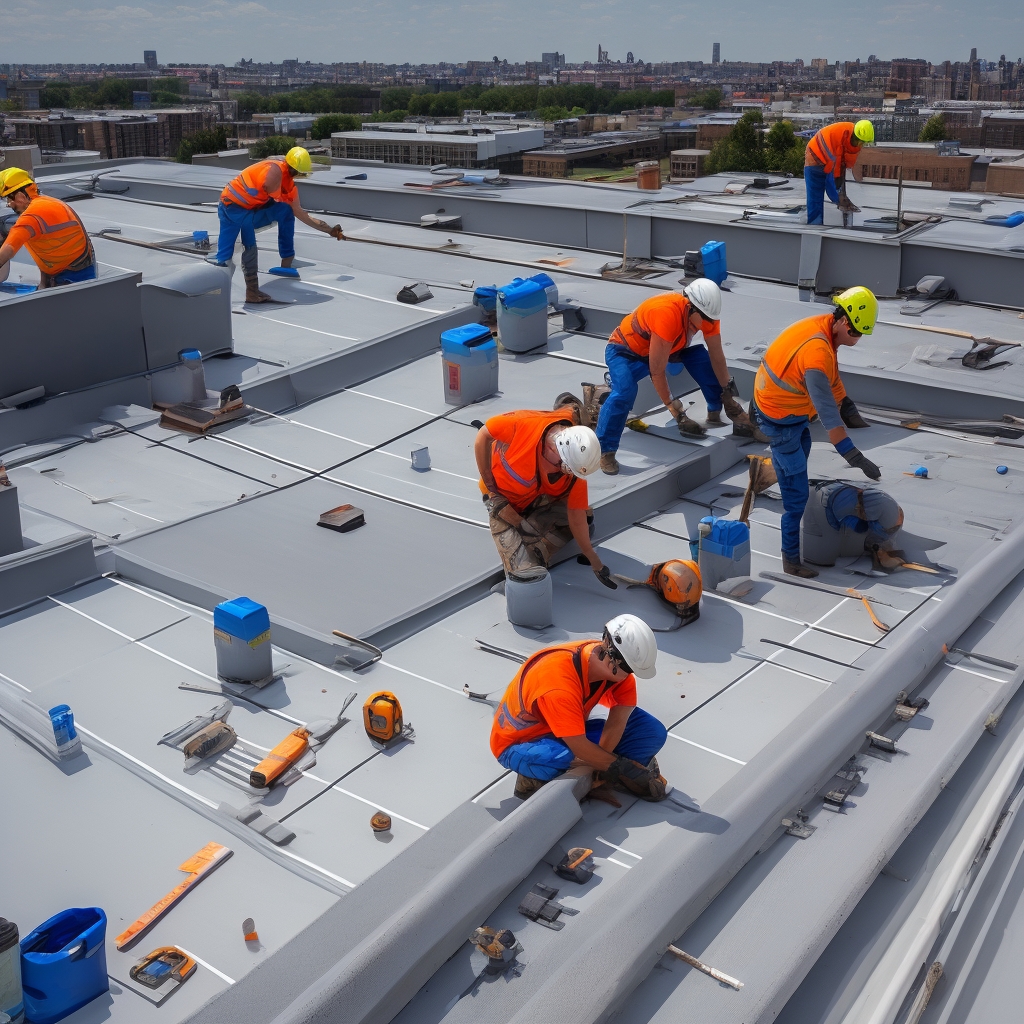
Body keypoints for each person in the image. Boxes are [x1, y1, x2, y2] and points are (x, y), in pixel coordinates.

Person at [751, 286, 881, 578]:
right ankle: (791, 560)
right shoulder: (817, 351)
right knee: (795, 499)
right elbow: (826, 412)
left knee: (803, 444)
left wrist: (847, 405)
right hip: (778, 421)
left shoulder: (823, 329)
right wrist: (853, 455)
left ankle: (781, 468)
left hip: (787, 413)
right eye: (856, 333)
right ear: (844, 322)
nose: (857, 340)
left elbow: (832, 380)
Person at [489, 613, 669, 801]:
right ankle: (532, 781)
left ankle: (593, 772)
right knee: (561, 757)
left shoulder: (618, 673)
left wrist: (605, 770)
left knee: (651, 732)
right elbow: (579, 746)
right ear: (612, 659)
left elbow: (618, 721)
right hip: (522, 742)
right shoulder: (558, 684)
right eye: (630, 669)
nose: (631, 676)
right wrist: (621, 768)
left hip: (568, 728)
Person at [595, 279, 763, 475]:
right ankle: (605, 450)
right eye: (705, 319)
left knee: (702, 359)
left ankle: (715, 412)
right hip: (625, 352)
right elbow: (656, 371)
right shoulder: (666, 314)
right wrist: (680, 416)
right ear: (690, 308)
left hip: (667, 347)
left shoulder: (707, 315)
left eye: (711, 319)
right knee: (625, 391)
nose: (709, 324)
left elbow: (718, 356)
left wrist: (729, 396)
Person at [476, 409, 613, 587]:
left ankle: (537, 546)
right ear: (552, 448)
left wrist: (593, 558)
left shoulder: (573, 471)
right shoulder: (523, 426)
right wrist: (488, 480)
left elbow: (577, 518)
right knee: (524, 575)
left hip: (536, 497)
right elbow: (484, 434)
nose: (566, 472)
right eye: (564, 466)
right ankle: (522, 557)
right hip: (502, 501)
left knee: (585, 520)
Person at [213, 146, 344, 304]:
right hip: (234, 208)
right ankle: (246, 292)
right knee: (244, 247)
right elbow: (268, 185)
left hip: (246, 209)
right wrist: (276, 195)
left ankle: (286, 263)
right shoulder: (273, 170)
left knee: (286, 212)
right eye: (295, 171)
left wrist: (330, 230)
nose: (295, 175)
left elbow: (302, 214)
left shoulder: (288, 185)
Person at [0, 168, 96, 288]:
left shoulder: (30, 217)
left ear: (20, 197)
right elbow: (49, 249)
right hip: (82, 276)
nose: (9, 205)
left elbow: (7, 251)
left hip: (70, 281)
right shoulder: (54, 203)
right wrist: (43, 285)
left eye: (9, 200)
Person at [811, 482, 905, 570]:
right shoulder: (845, 511)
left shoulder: (872, 500)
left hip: (836, 496)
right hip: (826, 508)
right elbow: (862, 529)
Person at [804, 120, 874, 225]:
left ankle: (839, 201)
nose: (861, 145)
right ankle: (815, 227)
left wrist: (842, 190)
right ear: (855, 135)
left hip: (830, 158)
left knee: (834, 183)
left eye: (864, 143)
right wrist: (838, 197)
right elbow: (832, 172)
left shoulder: (851, 138)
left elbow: (844, 164)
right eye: (861, 142)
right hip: (815, 155)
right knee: (815, 195)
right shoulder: (837, 135)